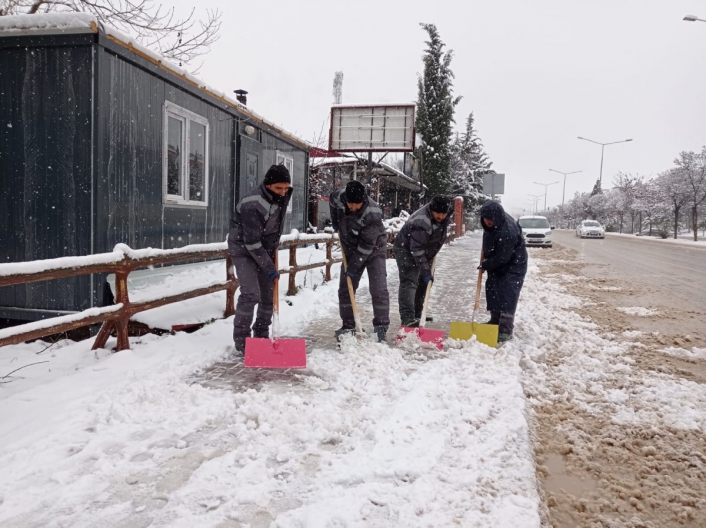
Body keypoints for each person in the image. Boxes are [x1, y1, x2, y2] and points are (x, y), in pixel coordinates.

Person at [227, 164, 293, 354]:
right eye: (278, 188)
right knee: (251, 293)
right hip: (243, 248)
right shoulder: (252, 203)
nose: (282, 192)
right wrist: (269, 265)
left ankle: (261, 335)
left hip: (264, 247)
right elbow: (252, 242)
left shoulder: (280, 195)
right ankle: (243, 341)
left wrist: (270, 253)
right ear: (267, 184)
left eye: (285, 188)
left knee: (268, 293)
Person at [330, 180, 390, 343]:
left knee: (378, 289)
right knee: (345, 288)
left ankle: (380, 327)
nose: (353, 208)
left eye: (357, 204)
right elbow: (332, 200)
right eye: (351, 204)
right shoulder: (340, 197)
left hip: (374, 248)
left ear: (364, 199)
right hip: (349, 247)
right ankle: (348, 326)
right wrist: (335, 220)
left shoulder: (373, 213)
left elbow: (366, 246)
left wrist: (353, 267)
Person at [393, 195, 453, 327]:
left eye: (444, 213)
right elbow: (417, 250)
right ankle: (407, 318)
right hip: (406, 249)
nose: (441, 216)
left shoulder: (444, 214)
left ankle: (418, 314)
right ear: (431, 209)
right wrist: (425, 271)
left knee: (425, 282)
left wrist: (426, 271)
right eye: (438, 213)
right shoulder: (422, 222)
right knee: (409, 281)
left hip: (426, 250)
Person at [478, 200, 528, 343]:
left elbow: (502, 257)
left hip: (514, 265)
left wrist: (486, 265)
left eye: (490, 220)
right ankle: (495, 321)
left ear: (496, 218)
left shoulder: (508, 231)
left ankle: (505, 329)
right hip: (497, 261)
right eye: (485, 219)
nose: (487, 222)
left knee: (507, 294)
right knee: (493, 289)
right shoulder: (493, 221)